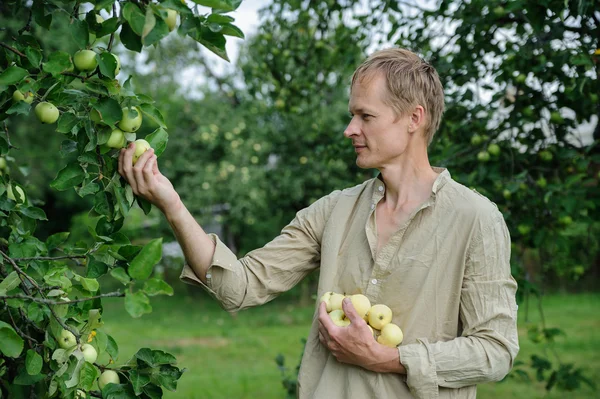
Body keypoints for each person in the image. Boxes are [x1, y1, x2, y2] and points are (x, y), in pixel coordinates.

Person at [118, 48, 519, 399]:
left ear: (414, 118)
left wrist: (390, 359)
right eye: (351, 115)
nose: (350, 130)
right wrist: (171, 203)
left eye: (365, 116)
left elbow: (495, 350)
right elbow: (238, 287)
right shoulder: (335, 211)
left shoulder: (475, 219)